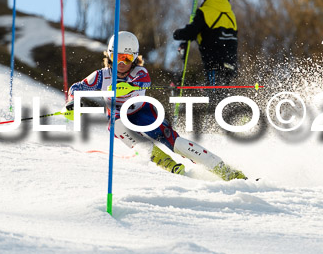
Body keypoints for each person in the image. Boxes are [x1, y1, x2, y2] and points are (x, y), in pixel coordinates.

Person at [64, 31, 246, 181]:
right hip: (118, 115)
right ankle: (167, 163)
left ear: (134, 58)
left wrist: (129, 86)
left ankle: (223, 169)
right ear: (109, 55)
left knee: (174, 140)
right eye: (116, 57)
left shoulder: (138, 71)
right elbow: (77, 87)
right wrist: (72, 102)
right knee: (116, 125)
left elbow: (145, 80)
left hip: (142, 112)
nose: (121, 63)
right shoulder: (102, 76)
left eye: (126, 59)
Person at [173, 0, 238, 87]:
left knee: (214, 95)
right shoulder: (230, 14)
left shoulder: (205, 11)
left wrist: (177, 34)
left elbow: (192, 32)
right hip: (231, 63)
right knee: (225, 94)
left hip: (214, 63)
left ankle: (214, 103)